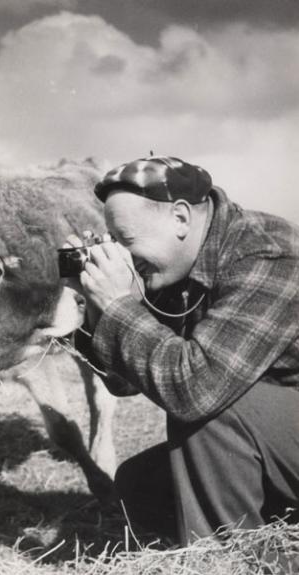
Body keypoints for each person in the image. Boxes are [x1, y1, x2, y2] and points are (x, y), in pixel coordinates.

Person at [70, 156, 299, 546]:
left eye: (125, 241)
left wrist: (118, 307)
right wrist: (94, 304)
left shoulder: (268, 253)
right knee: (141, 484)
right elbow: (125, 383)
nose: (124, 257)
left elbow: (194, 389)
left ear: (180, 218)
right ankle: (278, 548)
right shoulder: (176, 265)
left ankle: (228, 563)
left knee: (216, 411)